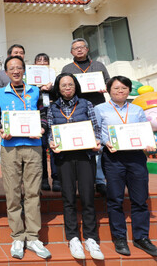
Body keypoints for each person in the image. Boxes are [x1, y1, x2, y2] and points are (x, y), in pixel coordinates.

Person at [95, 76, 157, 257]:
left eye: (124, 88)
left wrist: (149, 143)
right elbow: (96, 131)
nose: (120, 91)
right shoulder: (100, 109)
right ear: (109, 90)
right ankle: (119, 237)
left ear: (129, 90)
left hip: (136, 157)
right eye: (116, 88)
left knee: (140, 198)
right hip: (113, 156)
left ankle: (141, 238)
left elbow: (144, 130)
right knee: (115, 199)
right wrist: (104, 142)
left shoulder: (137, 109)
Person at [0, 56, 51, 260]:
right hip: (10, 147)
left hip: (33, 146)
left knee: (33, 192)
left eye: (19, 68)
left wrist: (42, 128)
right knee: (13, 192)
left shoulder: (36, 91)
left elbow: (43, 115)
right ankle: (17, 236)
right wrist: (1, 131)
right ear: (6, 73)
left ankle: (33, 237)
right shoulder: (0, 93)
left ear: (24, 70)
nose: (15, 71)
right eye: (11, 68)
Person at [47, 73, 104, 260]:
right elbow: (50, 130)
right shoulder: (53, 107)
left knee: (88, 196)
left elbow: (96, 128)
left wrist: (97, 141)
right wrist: (52, 143)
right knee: (68, 197)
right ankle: (73, 237)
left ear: (76, 86)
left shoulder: (86, 104)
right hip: (64, 157)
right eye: (63, 85)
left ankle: (91, 238)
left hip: (85, 155)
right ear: (58, 88)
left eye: (70, 84)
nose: (67, 88)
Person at [61, 38, 110, 196]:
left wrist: (105, 87)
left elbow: (108, 82)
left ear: (88, 49)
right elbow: (64, 86)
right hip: (77, 109)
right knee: (79, 142)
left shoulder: (98, 65)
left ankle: (100, 180)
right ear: (71, 52)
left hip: (97, 106)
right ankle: (80, 179)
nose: (79, 50)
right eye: (76, 48)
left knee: (98, 142)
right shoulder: (67, 68)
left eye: (82, 47)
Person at [34, 53, 60, 192]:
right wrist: (40, 88)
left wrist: (52, 88)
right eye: (39, 60)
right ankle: (44, 178)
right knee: (41, 147)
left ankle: (56, 178)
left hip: (53, 112)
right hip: (38, 114)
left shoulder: (54, 76)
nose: (42, 63)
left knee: (54, 145)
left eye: (45, 60)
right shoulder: (30, 77)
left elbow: (60, 93)